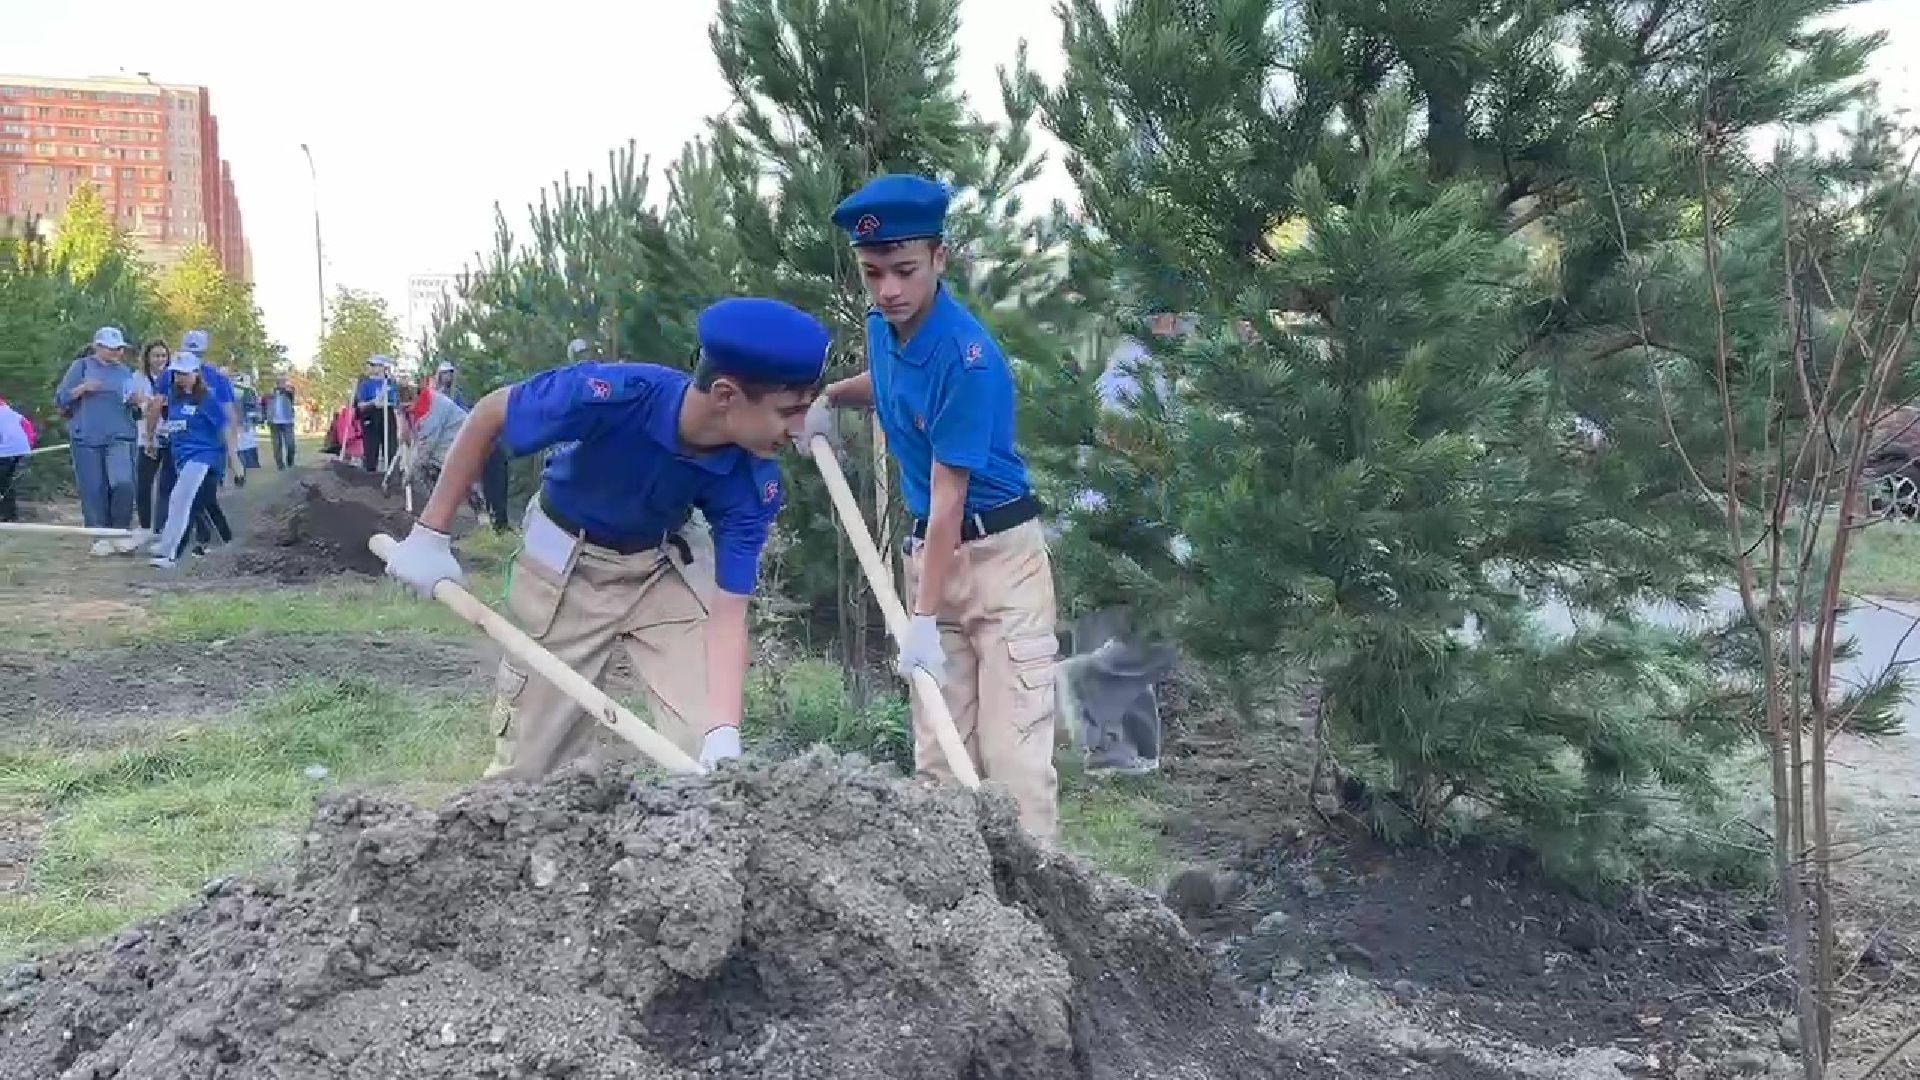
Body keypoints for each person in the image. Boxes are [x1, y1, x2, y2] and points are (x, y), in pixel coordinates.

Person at [381, 297, 830, 778]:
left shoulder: (752, 478)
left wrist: (723, 732)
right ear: (725, 395)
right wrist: (430, 534)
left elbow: (729, 609)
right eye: (790, 411)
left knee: (705, 753)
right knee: (531, 772)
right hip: (567, 565)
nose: (800, 429)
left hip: (662, 569)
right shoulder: (615, 394)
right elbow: (491, 414)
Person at [807, 173, 1062, 841]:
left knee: (1014, 763)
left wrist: (920, 623)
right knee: (940, 756)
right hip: (932, 557)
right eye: (872, 273)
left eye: (904, 270)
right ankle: (951, 914)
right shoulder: (882, 327)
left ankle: (1031, 913)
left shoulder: (968, 358)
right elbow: (890, 384)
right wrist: (831, 398)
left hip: (1000, 562)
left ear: (939, 260)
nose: (888, 289)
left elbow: (950, 499)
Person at [146, 329, 240, 547]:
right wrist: (232, 454)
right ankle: (193, 538)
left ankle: (191, 540)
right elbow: (231, 418)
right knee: (192, 496)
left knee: (186, 495)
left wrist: (232, 455)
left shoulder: (205, 381)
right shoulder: (175, 376)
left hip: (203, 450)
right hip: (181, 444)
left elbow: (227, 419)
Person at [54, 326, 142, 538]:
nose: (117, 353)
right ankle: (99, 536)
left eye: (119, 348)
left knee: (123, 483)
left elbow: (133, 406)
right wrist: (82, 388)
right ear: (98, 347)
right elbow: (60, 399)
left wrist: (135, 403)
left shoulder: (124, 371)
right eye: (112, 348)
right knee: (93, 489)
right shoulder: (81, 366)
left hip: (120, 435)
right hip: (87, 437)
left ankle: (119, 530)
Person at [435, 360, 509, 531]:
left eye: (450, 373)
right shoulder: (437, 397)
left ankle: (494, 520)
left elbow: (467, 417)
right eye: (445, 373)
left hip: (471, 443)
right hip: (448, 445)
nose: (448, 377)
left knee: (489, 482)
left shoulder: (457, 395)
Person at [133, 341, 171, 532]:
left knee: (167, 485)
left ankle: (164, 526)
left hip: (169, 435)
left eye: (163, 355)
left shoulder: (174, 376)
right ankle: (145, 525)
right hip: (146, 437)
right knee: (144, 485)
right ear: (147, 357)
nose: (160, 360)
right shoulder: (138, 378)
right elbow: (137, 402)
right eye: (156, 355)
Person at [354, 356, 398, 473]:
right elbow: (360, 405)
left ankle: (390, 472)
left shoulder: (390, 383)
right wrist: (373, 402)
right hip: (371, 414)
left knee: (390, 446)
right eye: (372, 365)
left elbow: (395, 401)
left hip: (387, 414)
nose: (372, 368)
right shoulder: (366, 384)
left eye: (375, 365)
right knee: (371, 446)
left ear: (383, 367)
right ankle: (370, 473)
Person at [0, 396, 32, 522]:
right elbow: (28, 428)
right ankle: (9, 515)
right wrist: (27, 448)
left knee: (3, 484)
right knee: (6, 483)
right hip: (21, 450)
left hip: (5, 451)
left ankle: (6, 515)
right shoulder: (13, 414)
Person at [233, 372, 262, 474]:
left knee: (237, 448)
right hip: (245, 423)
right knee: (244, 448)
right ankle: (242, 471)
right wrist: (256, 420)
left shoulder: (229, 389)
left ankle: (240, 472)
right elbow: (253, 408)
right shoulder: (249, 391)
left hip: (233, 423)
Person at [266, 372, 297, 469]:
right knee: (276, 444)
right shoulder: (271, 392)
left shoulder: (289, 391)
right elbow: (265, 401)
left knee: (290, 443)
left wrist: (283, 390)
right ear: (276, 382)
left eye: (283, 380)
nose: (281, 382)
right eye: (279, 381)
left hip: (287, 420)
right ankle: (280, 464)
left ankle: (290, 460)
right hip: (274, 422)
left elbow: (290, 394)